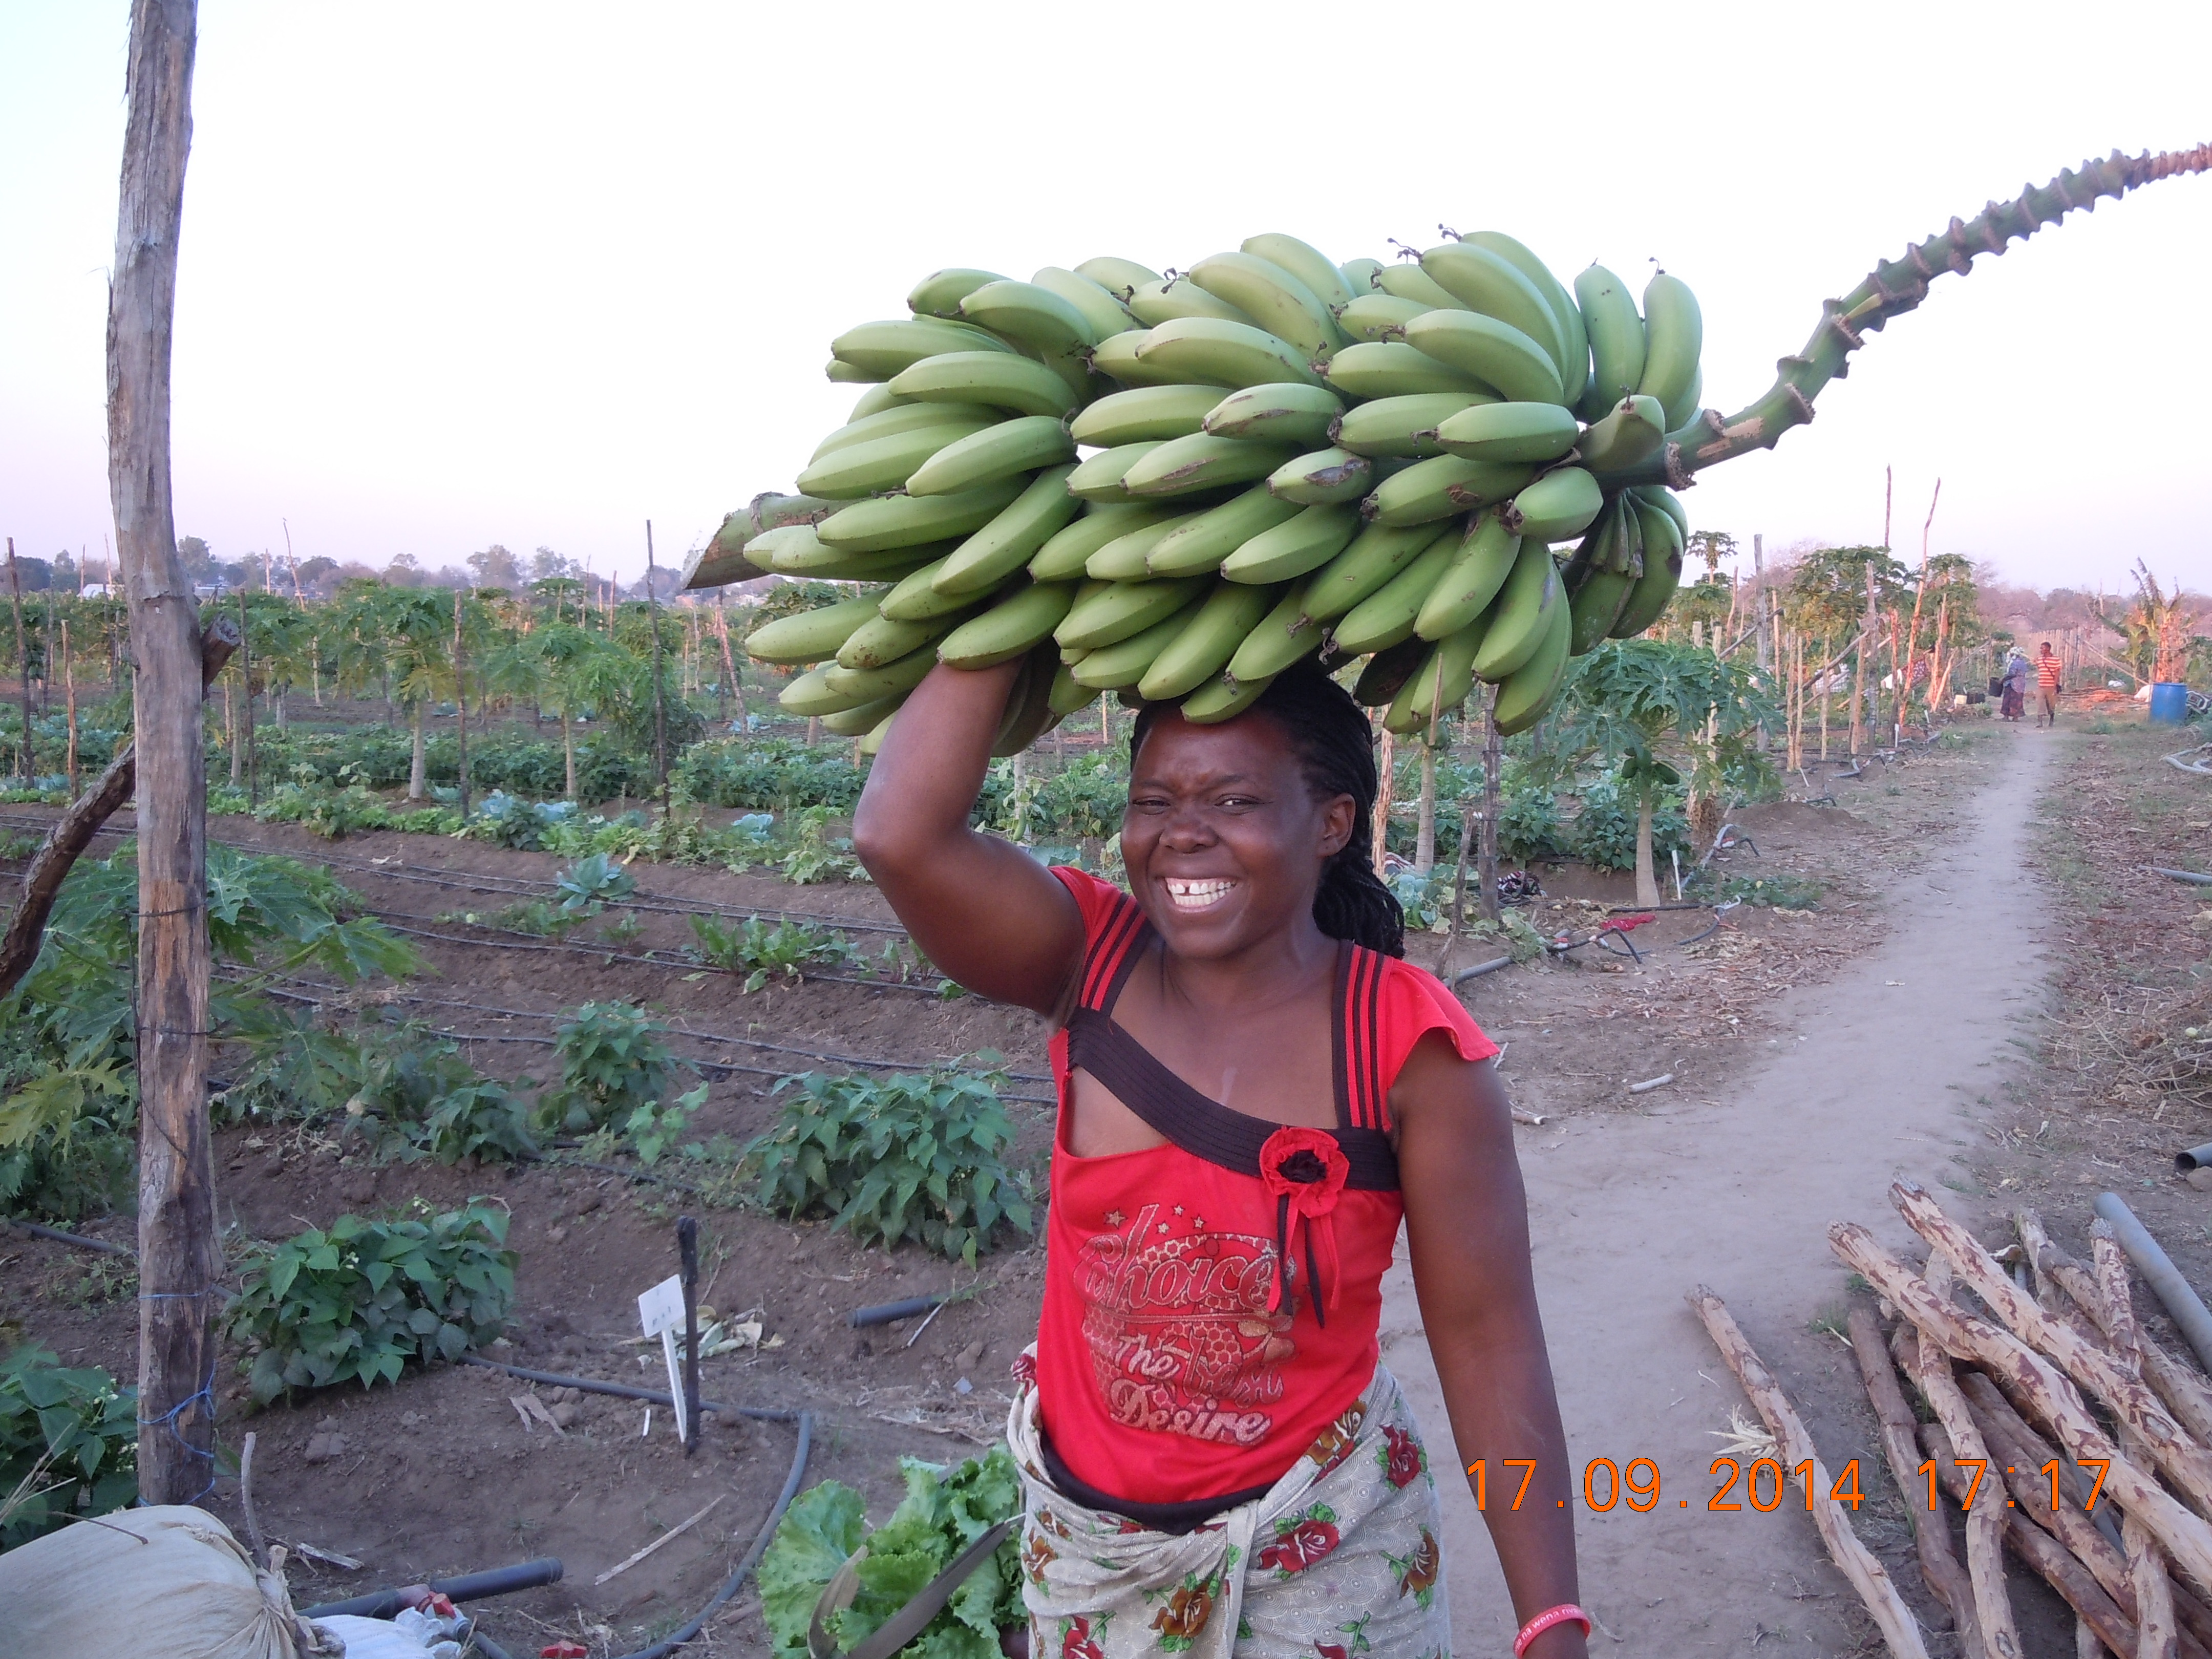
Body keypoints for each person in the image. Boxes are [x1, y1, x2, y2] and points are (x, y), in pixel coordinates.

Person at [854, 659, 1586, 1659]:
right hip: (1091, 1556)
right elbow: (897, 837)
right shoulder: (1087, 962)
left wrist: (1549, 1619)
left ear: (1332, 824)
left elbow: (1491, 1342)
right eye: (1154, 802)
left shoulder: (1407, 1049)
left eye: (1233, 801)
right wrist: (1006, 607)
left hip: (1325, 1553)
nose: (1183, 833)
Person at [2036, 641, 2064, 727]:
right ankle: (2040, 722)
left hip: (2051, 686)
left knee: (2051, 704)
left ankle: (2051, 720)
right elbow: (2039, 668)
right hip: (2041, 685)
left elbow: (2057, 673)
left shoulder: (2056, 660)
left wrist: (2055, 686)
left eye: (2042, 648)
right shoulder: (2039, 659)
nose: (2041, 650)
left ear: (2048, 649)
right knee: (2040, 703)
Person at [2000, 649, 2030, 721]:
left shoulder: (2014, 663)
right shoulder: (2023, 663)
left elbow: (2012, 674)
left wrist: (2003, 679)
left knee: (2008, 700)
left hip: (2012, 684)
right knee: (2018, 700)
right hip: (2021, 685)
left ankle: (2006, 717)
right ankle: (2016, 717)